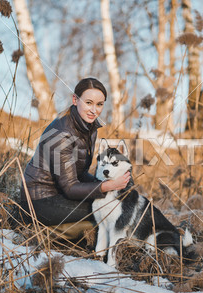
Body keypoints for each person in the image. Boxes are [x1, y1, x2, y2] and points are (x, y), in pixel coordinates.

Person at [18, 78, 130, 240]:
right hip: (40, 200)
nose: (94, 110)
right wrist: (107, 186)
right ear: (75, 100)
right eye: (89, 102)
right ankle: (46, 233)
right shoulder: (61, 133)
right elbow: (70, 187)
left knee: (114, 203)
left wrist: (111, 188)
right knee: (107, 208)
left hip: (60, 193)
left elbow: (80, 173)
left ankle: (85, 233)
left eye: (99, 104)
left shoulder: (89, 127)